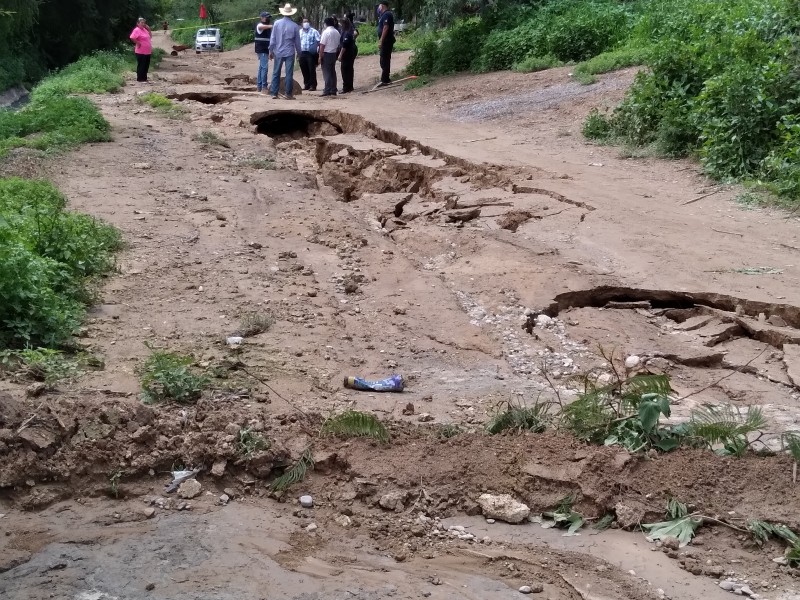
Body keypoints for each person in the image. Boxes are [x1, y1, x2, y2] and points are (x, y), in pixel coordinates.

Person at [269, 3, 301, 99]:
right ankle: (288, 93)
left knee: (276, 72)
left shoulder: (277, 23)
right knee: (289, 73)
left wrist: (270, 50)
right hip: (289, 52)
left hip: (278, 51)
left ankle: (274, 93)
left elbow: (273, 38)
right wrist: (299, 53)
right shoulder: (295, 26)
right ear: (291, 14)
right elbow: (297, 42)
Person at [318, 16, 340, 97]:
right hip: (334, 53)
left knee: (326, 72)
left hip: (326, 53)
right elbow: (338, 44)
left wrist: (320, 56)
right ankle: (333, 89)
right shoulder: (337, 32)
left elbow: (322, 45)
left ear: (326, 24)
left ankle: (327, 89)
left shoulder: (326, 32)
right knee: (332, 71)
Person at [376, 2, 395, 86]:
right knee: (383, 59)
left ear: (382, 6)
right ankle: (385, 78)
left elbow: (386, 27)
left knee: (385, 59)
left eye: (379, 5)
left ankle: (385, 79)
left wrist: (381, 40)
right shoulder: (383, 15)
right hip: (385, 41)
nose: (378, 7)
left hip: (386, 41)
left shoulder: (387, 14)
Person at [299, 17, 320, 91]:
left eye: (307, 21)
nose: (305, 23)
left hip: (310, 53)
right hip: (302, 53)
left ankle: (313, 85)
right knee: (304, 69)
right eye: (304, 22)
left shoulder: (314, 31)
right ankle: (306, 84)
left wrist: (317, 51)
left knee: (311, 69)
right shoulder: (300, 32)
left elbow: (318, 42)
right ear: (302, 23)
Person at [129, 18, 153, 83]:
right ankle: (140, 79)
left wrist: (149, 29)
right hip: (141, 51)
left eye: (144, 23)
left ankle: (144, 78)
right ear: (138, 23)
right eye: (141, 23)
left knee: (146, 65)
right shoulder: (137, 30)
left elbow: (150, 36)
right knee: (141, 65)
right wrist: (137, 42)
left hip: (147, 51)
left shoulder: (145, 30)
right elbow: (132, 37)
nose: (143, 24)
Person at [254, 11, 272, 93]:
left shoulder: (267, 28)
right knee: (264, 68)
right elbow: (263, 27)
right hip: (262, 49)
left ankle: (259, 86)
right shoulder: (260, 25)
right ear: (261, 17)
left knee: (261, 68)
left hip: (265, 49)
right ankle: (264, 86)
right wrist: (275, 25)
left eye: (268, 17)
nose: (267, 18)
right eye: (266, 17)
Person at [338, 17, 357, 94]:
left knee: (345, 70)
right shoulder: (349, 31)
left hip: (347, 54)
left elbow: (344, 46)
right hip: (350, 52)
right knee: (349, 69)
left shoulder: (347, 33)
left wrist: (340, 55)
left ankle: (346, 87)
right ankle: (350, 86)